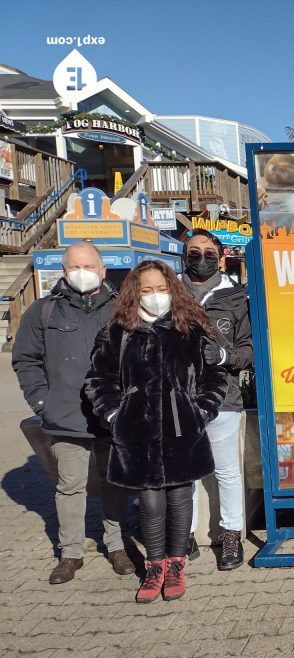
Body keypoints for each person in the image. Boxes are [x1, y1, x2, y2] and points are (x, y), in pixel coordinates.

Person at [85, 260, 227, 602]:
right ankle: (154, 566)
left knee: (180, 498)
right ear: (135, 292)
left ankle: (176, 564)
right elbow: (98, 379)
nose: (155, 296)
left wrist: (201, 410)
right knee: (149, 502)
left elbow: (215, 377)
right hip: (137, 433)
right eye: (147, 290)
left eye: (162, 289)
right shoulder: (118, 331)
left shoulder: (189, 328)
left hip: (183, 431)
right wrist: (116, 414)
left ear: (173, 290)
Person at [12, 242, 131, 584]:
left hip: (113, 416)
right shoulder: (43, 311)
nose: (81, 273)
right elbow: (25, 359)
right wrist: (41, 403)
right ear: (63, 272)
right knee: (70, 487)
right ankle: (71, 553)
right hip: (65, 417)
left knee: (114, 484)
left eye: (88, 266)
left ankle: (116, 545)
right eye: (73, 267)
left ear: (102, 270)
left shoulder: (122, 308)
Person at [182, 229, 252, 571]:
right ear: (184, 256)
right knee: (184, 472)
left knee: (226, 470)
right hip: (176, 400)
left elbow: (249, 349)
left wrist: (223, 355)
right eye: (194, 252)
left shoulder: (237, 296)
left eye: (209, 253)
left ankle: (231, 534)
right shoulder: (169, 292)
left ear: (221, 258)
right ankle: (185, 535)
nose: (202, 258)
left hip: (223, 397)